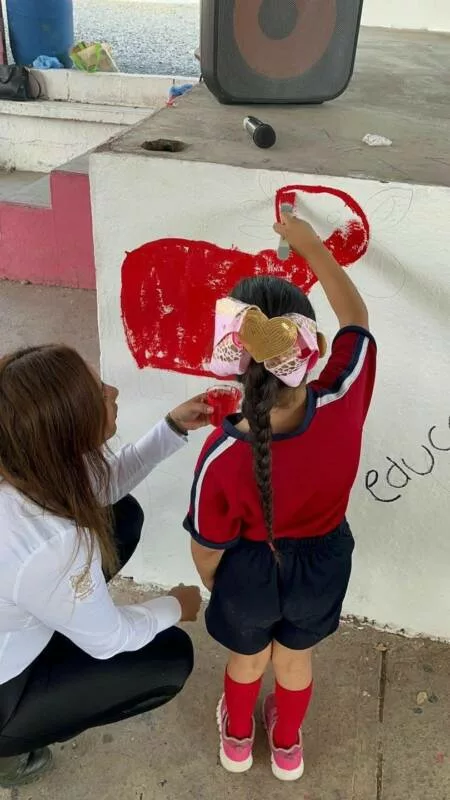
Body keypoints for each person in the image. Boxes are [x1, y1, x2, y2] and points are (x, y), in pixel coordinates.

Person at [184, 211, 376, 781]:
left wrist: (223, 586)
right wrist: (311, 245)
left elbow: (206, 548)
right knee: (296, 660)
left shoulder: (221, 453)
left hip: (246, 573)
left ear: (233, 362)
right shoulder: (344, 397)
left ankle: (238, 742)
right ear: (312, 347)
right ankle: (288, 746)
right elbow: (357, 318)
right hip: (322, 565)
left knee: (248, 660)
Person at [0, 344, 211, 788]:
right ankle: (9, 754)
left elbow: (100, 484)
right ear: (69, 427)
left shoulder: (23, 461)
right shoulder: (49, 544)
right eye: (98, 391)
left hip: (18, 608)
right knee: (169, 656)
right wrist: (176, 605)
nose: (112, 390)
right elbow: (109, 641)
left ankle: (61, 617)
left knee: (121, 516)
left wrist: (172, 427)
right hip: (5, 686)